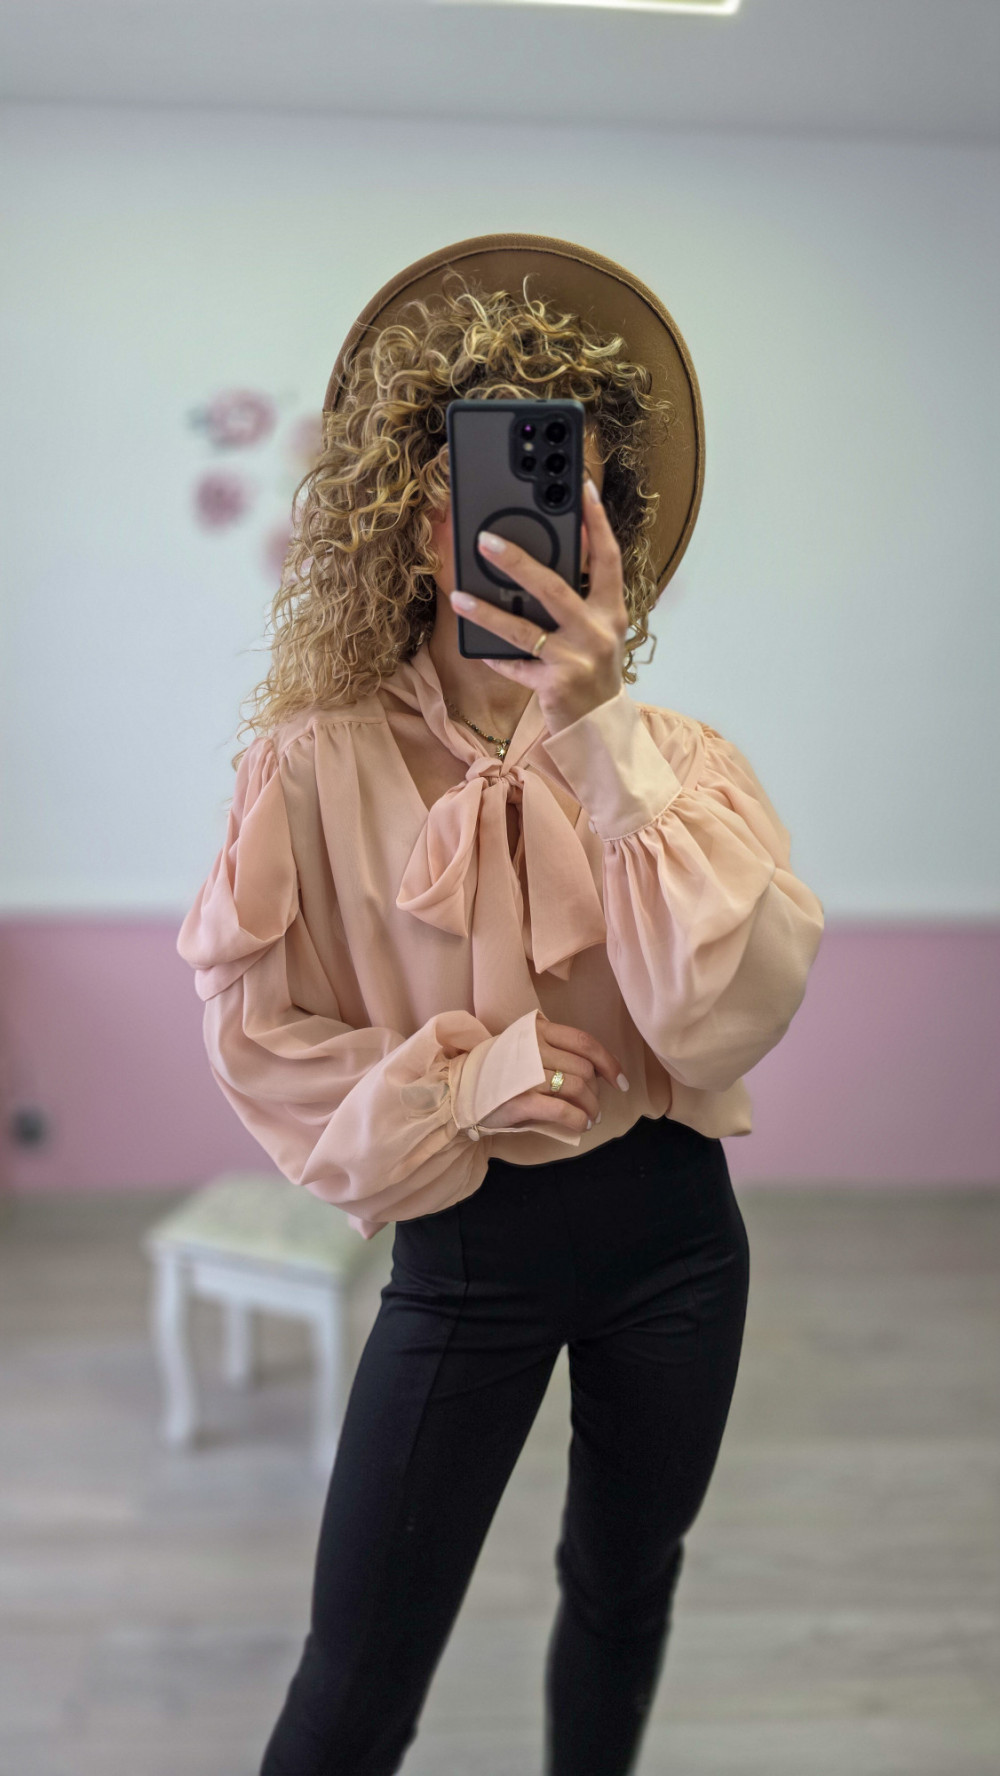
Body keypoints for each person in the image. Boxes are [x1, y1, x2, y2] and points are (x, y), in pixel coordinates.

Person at [176, 233, 826, 1776]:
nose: (520, 529)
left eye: (566, 497)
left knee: (624, 1591)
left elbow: (726, 1020)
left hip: (679, 1239)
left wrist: (602, 741)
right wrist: (466, 1082)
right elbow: (259, 1039)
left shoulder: (682, 767)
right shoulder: (311, 769)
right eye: (477, 486)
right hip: (465, 1256)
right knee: (356, 1678)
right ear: (411, 514)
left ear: (614, 534)